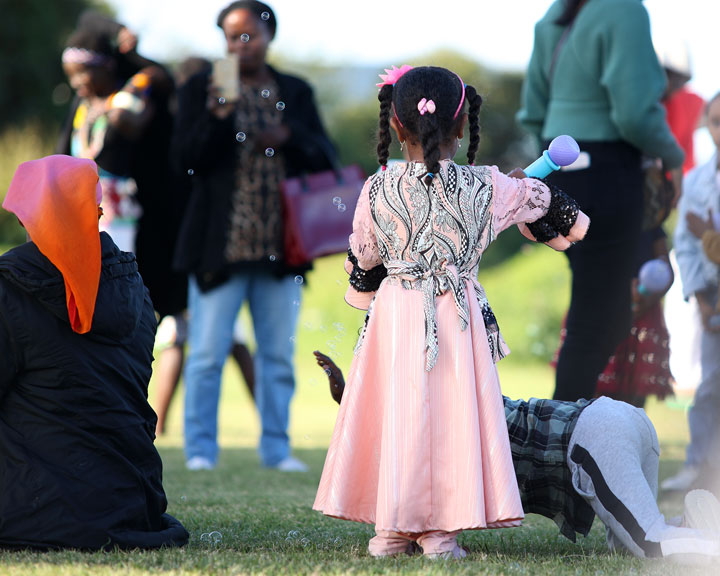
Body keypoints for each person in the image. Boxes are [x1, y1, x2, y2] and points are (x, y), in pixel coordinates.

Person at [313, 64, 589, 559]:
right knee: (448, 415)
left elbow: (366, 259)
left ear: (396, 126)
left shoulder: (377, 189)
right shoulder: (488, 186)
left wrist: (374, 286)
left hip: (395, 315)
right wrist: (524, 192)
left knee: (401, 414)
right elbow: (548, 204)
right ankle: (440, 533)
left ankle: (391, 531)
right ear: (462, 126)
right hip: (455, 316)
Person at [314, 351, 720, 563]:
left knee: (649, 544)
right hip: (623, 420)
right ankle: (693, 523)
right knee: (628, 543)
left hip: (595, 438)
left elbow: (404, 432)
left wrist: (349, 396)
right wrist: (348, 396)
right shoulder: (456, 406)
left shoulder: (442, 433)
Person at [172, 0, 335, 471]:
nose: (238, 45)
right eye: (230, 36)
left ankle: (277, 449)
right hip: (219, 249)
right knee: (205, 353)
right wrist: (218, 118)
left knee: (277, 358)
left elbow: (325, 158)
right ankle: (201, 450)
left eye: (249, 36)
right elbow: (183, 162)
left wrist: (292, 137)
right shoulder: (205, 88)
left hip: (281, 250)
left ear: (269, 36)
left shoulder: (295, 91)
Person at [0, 155, 188, 550]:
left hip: (39, 511)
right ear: (96, 211)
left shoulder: (11, 290)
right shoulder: (134, 287)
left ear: (24, 218)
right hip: (133, 504)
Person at [518, 0, 685, 402]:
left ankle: (567, 434)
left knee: (593, 313)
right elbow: (634, 114)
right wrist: (674, 156)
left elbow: (532, 111)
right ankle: (560, 442)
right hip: (609, 170)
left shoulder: (559, 12)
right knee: (601, 321)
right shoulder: (623, 9)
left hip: (560, 166)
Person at [664, 93, 720, 492]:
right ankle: (698, 465)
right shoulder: (698, 177)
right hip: (711, 294)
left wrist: (709, 235)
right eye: (716, 121)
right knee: (710, 385)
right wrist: (700, 296)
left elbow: (699, 235)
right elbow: (685, 241)